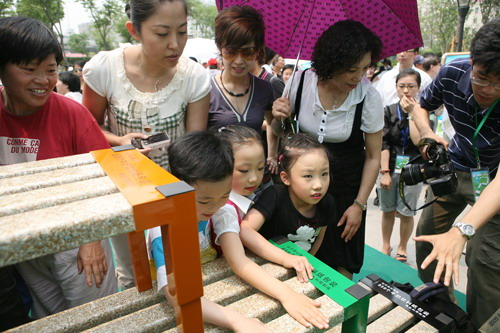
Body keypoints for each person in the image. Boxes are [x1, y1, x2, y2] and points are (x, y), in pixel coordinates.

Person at [83, 0, 210, 290]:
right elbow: (88, 130)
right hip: (122, 191)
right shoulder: (104, 69)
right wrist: (119, 141)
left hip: (174, 192)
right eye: (162, 33)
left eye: (182, 31)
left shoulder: (194, 77)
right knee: (132, 273)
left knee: (172, 272)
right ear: (134, 30)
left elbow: (193, 146)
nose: (175, 44)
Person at [0, 16, 117, 321]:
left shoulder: (71, 114)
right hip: (27, 244)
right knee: (50, 318)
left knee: (95, 318)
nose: (43, 80)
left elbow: (104, 177)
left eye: (50, 70)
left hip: (79, 240)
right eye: (29, 70)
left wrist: (92, 237)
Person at [272, 20, 384, 279]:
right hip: (302, 186)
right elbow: (282, 134)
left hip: (346, 189)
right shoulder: (300, 82)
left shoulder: (368, 96)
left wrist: (359, 204)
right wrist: (278, 117)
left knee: (341, 260)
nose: (358, 77)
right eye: (351, 69)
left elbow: (373, 156)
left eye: (365, 68)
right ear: (330, 63)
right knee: (296, 255)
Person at [409, 18, 500, 330]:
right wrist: (426, 134)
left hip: (494, 182)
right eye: (483, 78)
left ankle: (483, 325)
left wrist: (462, 231)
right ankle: (443, 304)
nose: (490, 90)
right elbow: (422, 107)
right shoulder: (451, 72)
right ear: (472, 62)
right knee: (427, 240)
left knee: (485, 260)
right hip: (457, 169)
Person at [147, 131, 271, 332]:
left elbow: (240, 261)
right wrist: (240, 322)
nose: (214, 206)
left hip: (207, 286)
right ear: (176, 186)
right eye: (204, 201)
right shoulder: (163, 228)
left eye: (224, 195)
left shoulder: (223, 208)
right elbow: (176, 294)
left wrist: (287, 295)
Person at [212, 126, 329, 330]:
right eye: (243, 170)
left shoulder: (241, 197)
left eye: (259, 168)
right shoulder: (225, 210)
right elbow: (239, 261)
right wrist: (287, 293)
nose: (254, 178)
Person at [240, 134, 334, 277]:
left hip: (300, 271)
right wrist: (285, 258)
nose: (318, 185)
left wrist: (307, 262)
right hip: (266, 268)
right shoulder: (274, 196)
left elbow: (319, 236)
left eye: (324, 174)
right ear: (286, 178)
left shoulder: (327, 202)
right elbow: (245, 230)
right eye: (308, 176)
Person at [210, 5, 279, 178]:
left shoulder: (264, 88)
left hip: (255, 179)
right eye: (231, 52)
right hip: (219, 177)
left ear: (257, 51)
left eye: (248, 52)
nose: (239, 61)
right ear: (220, 48)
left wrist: (271, 154)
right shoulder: (205, 89)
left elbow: (273, 126)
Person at [377, 69, 423, 262]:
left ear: (418, 88)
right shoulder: (388, 110)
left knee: (406, 211)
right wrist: (385, 172)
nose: (406, 91)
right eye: (402, 86)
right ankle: (386, 244)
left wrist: (412, 114)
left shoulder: (422, 111)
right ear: (396, 88)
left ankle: (403, 246)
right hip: (392, 166)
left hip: (413, 169)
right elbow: (384, 142)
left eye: (411, 86)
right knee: (387, 209)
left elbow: (419, 142)